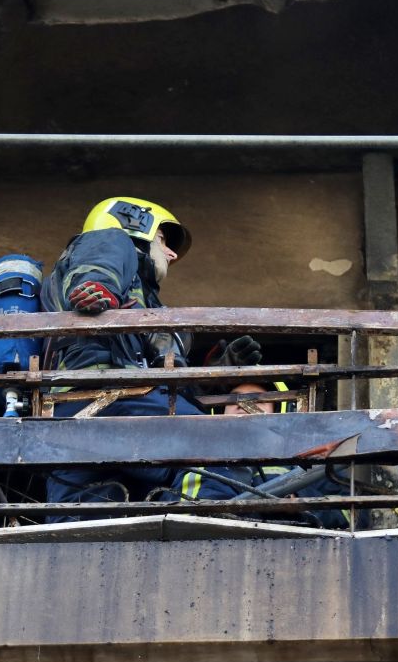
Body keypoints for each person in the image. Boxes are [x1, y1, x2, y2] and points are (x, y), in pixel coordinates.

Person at [40, 197, 262, 523]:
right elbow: (98, 264)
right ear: (137, 225)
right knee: (223, 445)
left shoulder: (145, 302)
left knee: (81, 519)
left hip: (73, 412)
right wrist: (96, 287)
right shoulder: (112, 240)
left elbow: (164, 389)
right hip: (112, 394)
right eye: (163, 241)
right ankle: (200, 528)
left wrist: (215, 376)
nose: (171, 255)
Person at [171, 381, 349, 529]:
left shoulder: (305, 462)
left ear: (277, 411)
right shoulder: (195, 450)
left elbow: (352, 513)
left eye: (258, 399)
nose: (243, 404)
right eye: (234, 399)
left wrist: (299, 504)